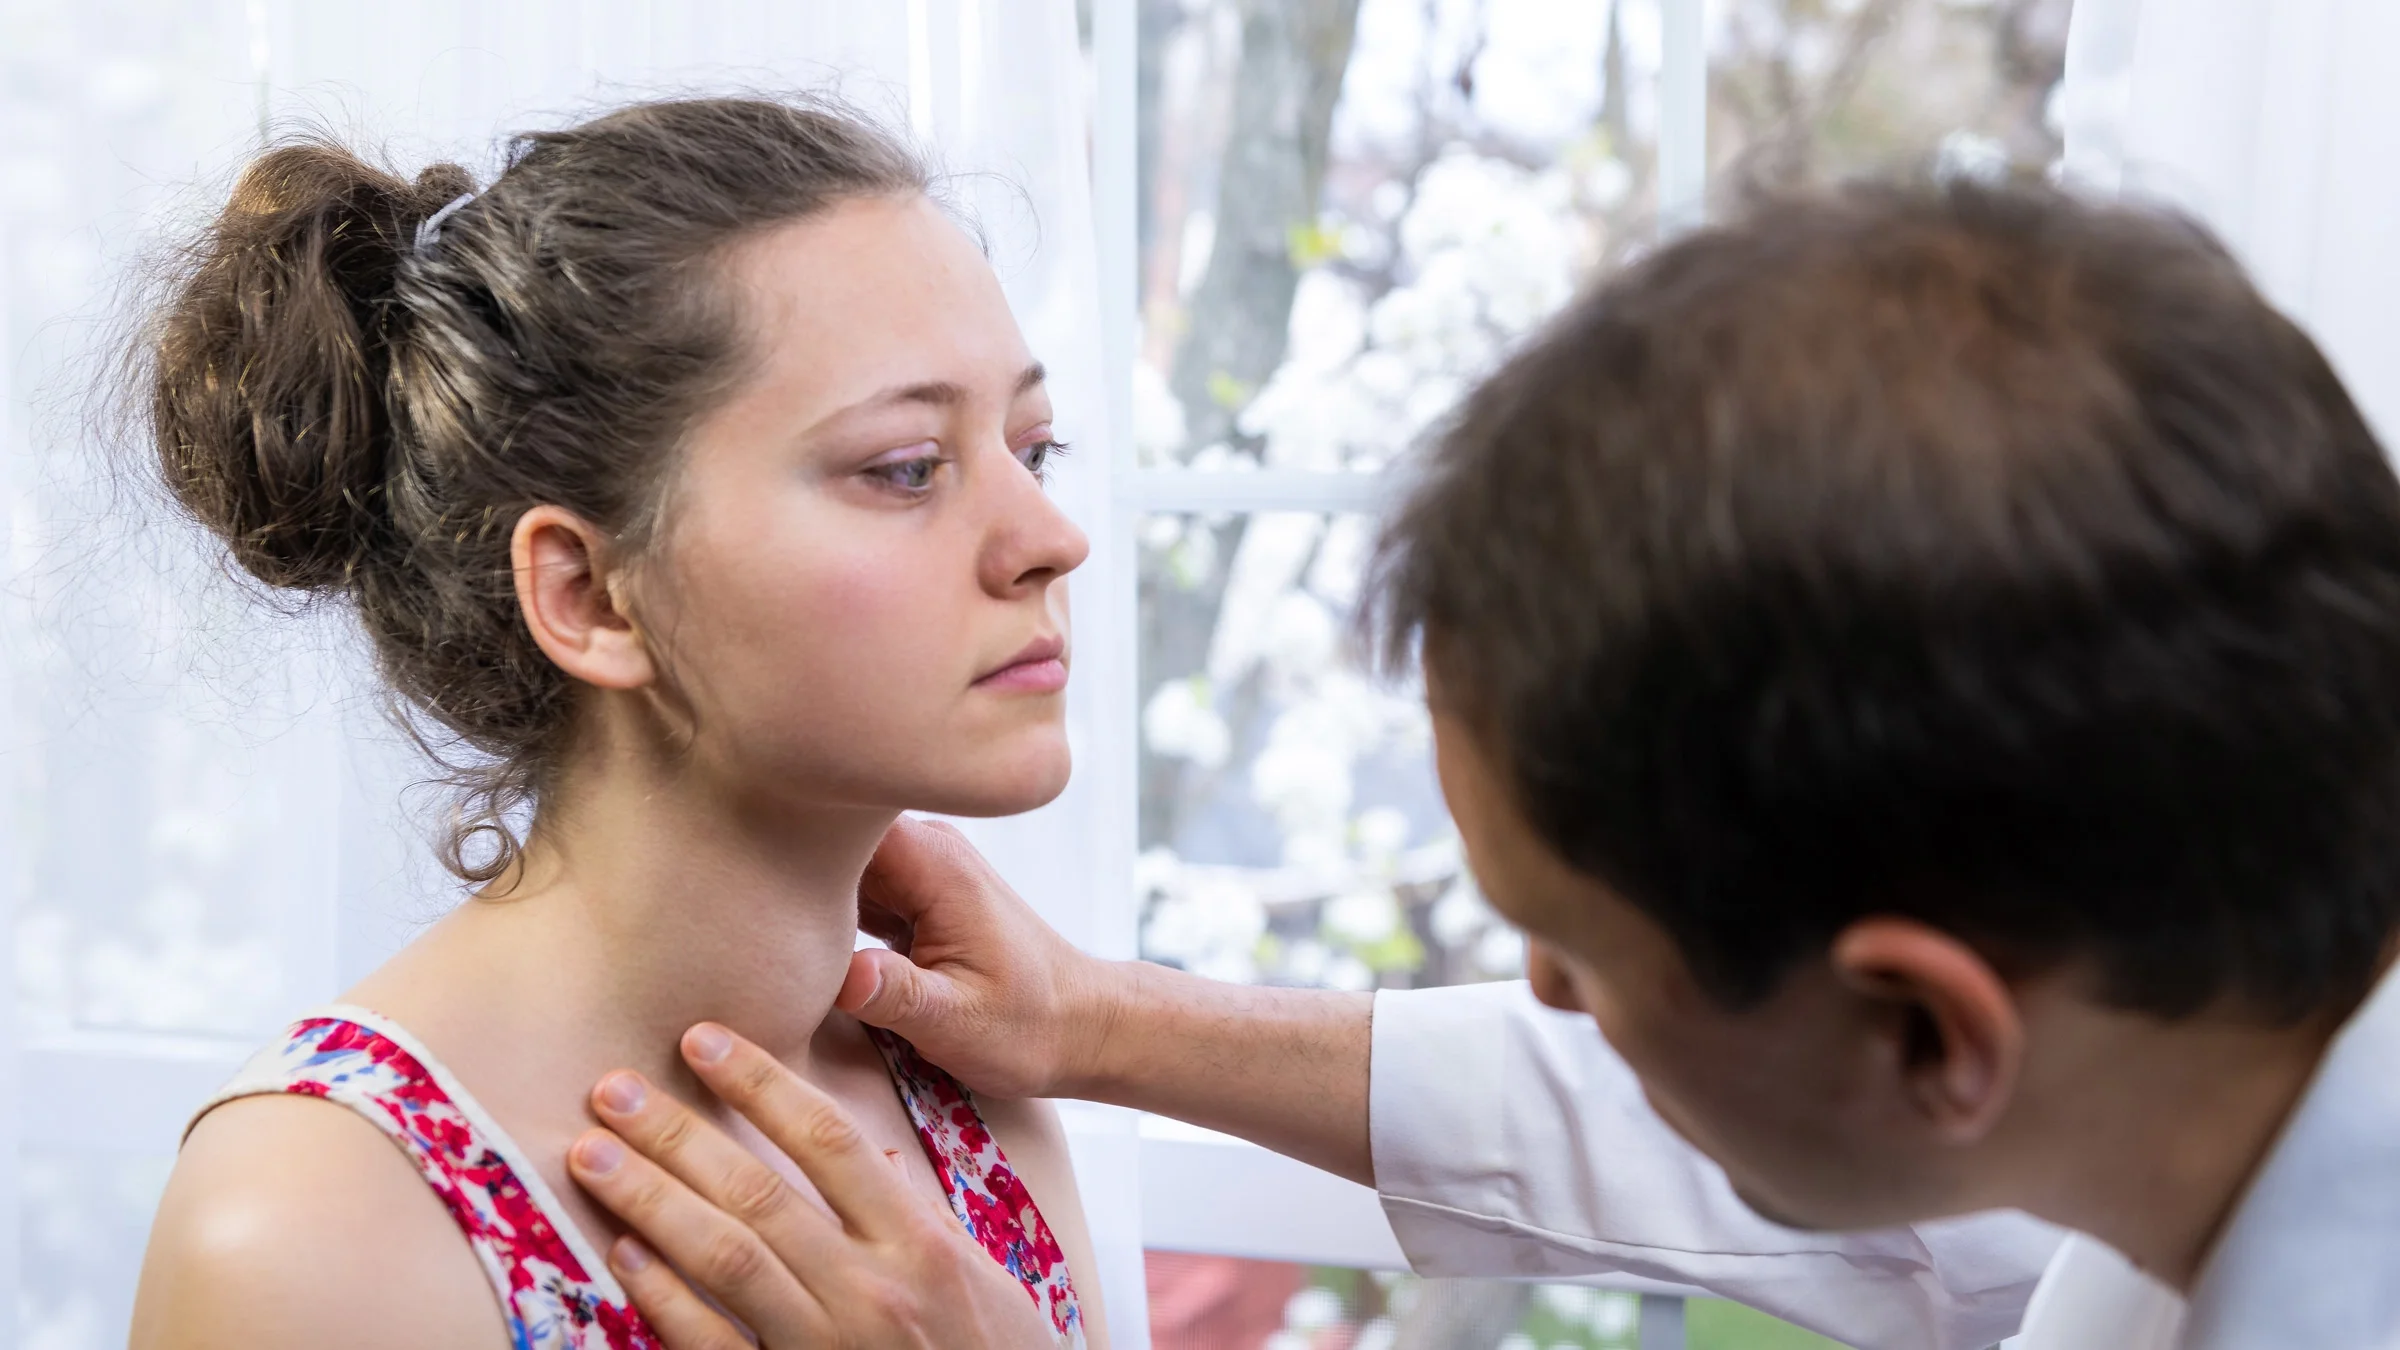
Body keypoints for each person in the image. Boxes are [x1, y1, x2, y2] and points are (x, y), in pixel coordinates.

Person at [578, 179, 2400, 1350]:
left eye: (1579, 955)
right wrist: (1105, 1026)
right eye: (907, 462)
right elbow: (1758, 1140)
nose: (1544, 998)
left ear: (1927, 1031)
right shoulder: (2195, 1038)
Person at [124, 97, 1110, 1350]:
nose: (1051, 539)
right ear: (589, 597)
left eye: (1038, 447)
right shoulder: (316, 1226)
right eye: (907, 467)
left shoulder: (969, 1114)